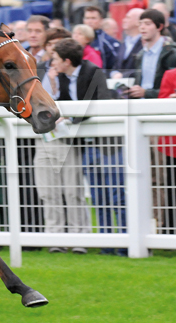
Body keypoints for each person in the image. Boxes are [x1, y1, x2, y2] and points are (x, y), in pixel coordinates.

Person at [52, 39, 112, 254]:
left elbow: (102, 103)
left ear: (67, 61)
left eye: (56, 59)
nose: (53, 63)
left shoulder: (93, 71)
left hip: (102, 142)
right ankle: (92, 240)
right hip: (77, 141)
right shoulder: (60, 77)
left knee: (109, 193)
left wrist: (71, 118)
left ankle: (113, 243)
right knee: (79, 189)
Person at [35, 38, 92, 254]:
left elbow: (77, 104)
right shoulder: (39, 72)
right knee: (48, 191)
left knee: (72, 190)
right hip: (43, 139)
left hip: (67, 139)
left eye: (55, 55)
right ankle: (55, 237)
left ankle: (80, 238)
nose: (52, 59)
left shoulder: (69, 76)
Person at [126, 9, 176, 99]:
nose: (142, 27)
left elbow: (173, 88)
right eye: (140, 23)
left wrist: (146, 93)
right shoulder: (140, 54)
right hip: (141, 105)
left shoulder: (171, 53)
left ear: (159, 27)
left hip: (162, 106)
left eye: (147, 24)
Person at [158, 67, 176, 234]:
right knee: (172, 188)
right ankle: (170, 229)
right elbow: (161, 104)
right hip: (174, 145)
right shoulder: (171, 75)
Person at [83, 6, 120, 72]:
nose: (89, 21)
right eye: (87, 18)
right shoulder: (78, 40)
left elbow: (117, 63)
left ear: (101, 20)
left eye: (93, 18)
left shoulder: (108, 41)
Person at [111, 7, 144, 79]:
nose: (124, 20)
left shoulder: (145, 43)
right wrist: (114, 73)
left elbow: (145, 68)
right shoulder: (124, 43)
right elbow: (116, 65)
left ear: (138, 22)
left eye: (128, 18)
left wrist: (123, 75)